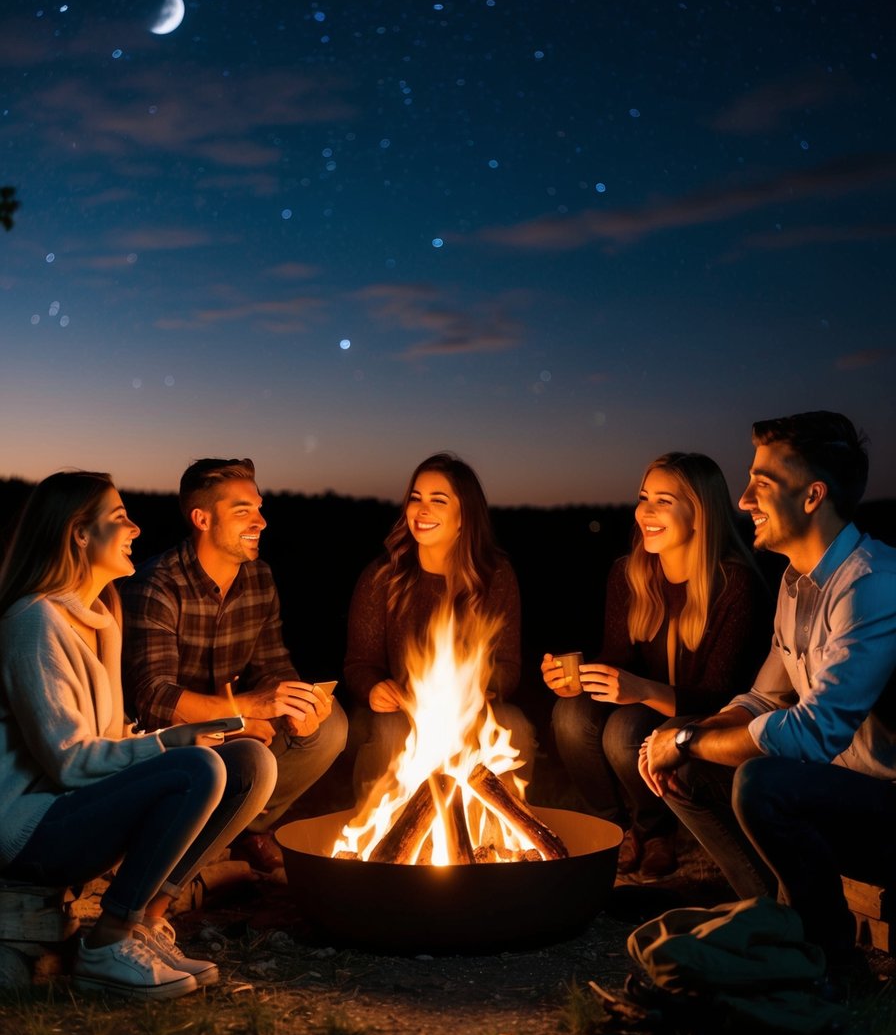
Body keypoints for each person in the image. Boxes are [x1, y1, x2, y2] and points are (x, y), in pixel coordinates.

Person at [640, 412, 896, 987]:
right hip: (839, 794)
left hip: (885, 805)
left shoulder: (872, 583)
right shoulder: (796, 582)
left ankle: (832, 961)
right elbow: (762, 697)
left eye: (763, 482)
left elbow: (812, 735)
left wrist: (689, 739)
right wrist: (681, 739)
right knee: (684, 759)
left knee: (763, 780)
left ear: (813, 496)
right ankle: (773, 917)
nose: (744, 497)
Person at [0, 471, 278, 1000]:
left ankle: (147, 920)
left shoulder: (103, 613)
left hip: (78, 806)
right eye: (119, 516)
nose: (135, 526)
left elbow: (106, 735)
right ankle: (108, 942)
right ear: (80, 534)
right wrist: (170, 744)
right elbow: (67, 761)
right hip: (30, 828)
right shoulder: (34, 623)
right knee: (195, 767)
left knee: (248, 762)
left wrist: (187, 734)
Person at [543, 452, 769, 879]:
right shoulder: (629, 574)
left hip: (709, 715)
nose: (644, 511)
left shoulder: (733, 584)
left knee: (625, 731)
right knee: (570, 715)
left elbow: (722, 695)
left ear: (700, 514)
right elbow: (618, 659)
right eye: (644, 497)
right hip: (644, 702)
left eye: (663, 501)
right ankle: (614, 829)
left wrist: (643, 691)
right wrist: (577, 679)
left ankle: (657, 830)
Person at [121, 458, 347, 874]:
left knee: (330, 727)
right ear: (202, 518)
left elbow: (273, 667)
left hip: (235, 731)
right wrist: (244, 712)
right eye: (243, 511)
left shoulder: (258, 578)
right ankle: (180, 841)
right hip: (169, 744)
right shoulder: (157, 584)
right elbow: (153, 698)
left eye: (259, 508)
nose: (260, 521)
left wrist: (298, 709)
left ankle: (243, 829)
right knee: (230, 745)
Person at [344, 452, 535, 798]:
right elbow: (359, 664)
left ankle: (497, 837)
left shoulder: (495, 577)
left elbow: (509, 666)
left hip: (471, 706)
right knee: (390, 731)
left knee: (516, 726)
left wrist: (473, 687)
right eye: (416, 498)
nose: (422, 509)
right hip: (399, 710)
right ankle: (380, 842)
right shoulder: (383, 577)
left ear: (464, 516)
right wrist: (373, 687)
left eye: (438, 500)